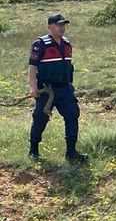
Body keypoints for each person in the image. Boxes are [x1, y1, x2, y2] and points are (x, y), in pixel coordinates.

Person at [28, 14, 87, 163]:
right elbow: (32, 67)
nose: (61, 28)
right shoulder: (40, 43)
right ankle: (33, 151)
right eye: (58, 25)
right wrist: (33, 87)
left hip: (65, 89)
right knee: (40, 119)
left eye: (63, 25)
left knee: (72, 116)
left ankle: (71, 152)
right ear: (50, 27)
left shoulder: (67, 44)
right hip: (47, 90)